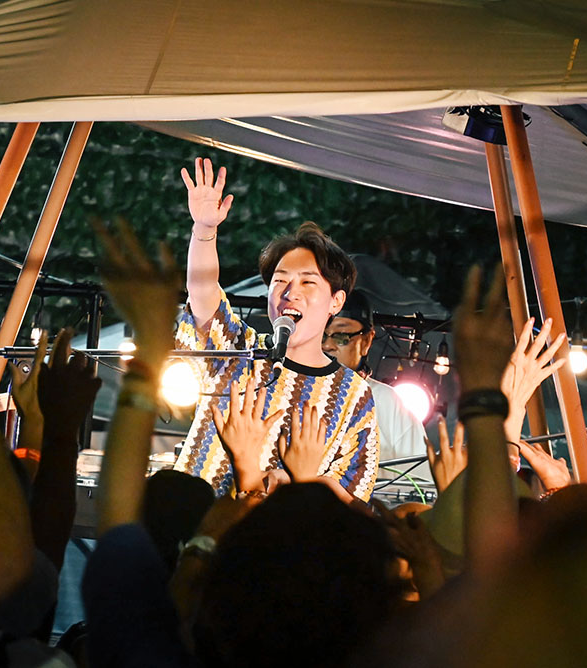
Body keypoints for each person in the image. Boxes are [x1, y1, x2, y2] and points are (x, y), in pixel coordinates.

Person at [173, 159, 379, 501]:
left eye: (307, 282)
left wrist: (303, 481)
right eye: (280, 281)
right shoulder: (238, 350)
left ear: (336, 301)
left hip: (278, 535)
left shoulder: (353, 395)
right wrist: (204, 230)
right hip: (195, 524)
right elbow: (202, 290)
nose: (289, 293)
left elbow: (353, 498)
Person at [322, 290, 429, 479]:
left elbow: (420, 483)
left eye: (340, 336)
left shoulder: (390, 403)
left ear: (366, 341)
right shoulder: (289, 393)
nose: (327, 345)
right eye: (321, 336)